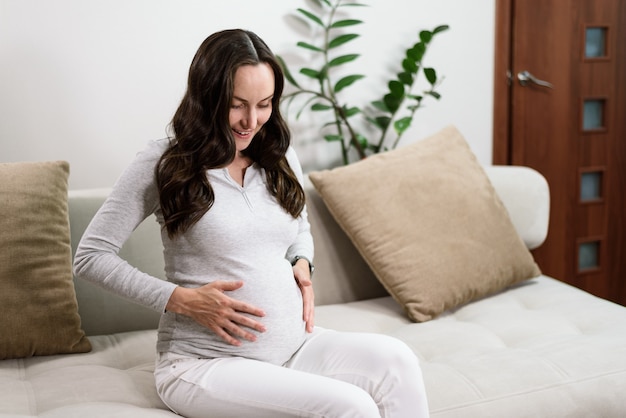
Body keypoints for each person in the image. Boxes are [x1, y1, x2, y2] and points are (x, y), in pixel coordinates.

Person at [74, 28, 429, 418]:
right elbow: (90, 257)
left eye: (265, 104)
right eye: (237, 104)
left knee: (397, 360)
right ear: (207, 97)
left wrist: (303, 264)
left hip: (295, 347)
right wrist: (183, 300)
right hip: (203, 363)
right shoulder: (166, 163)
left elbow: (300, 228)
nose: (251, 120)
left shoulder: (276, 154)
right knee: (351, 407)